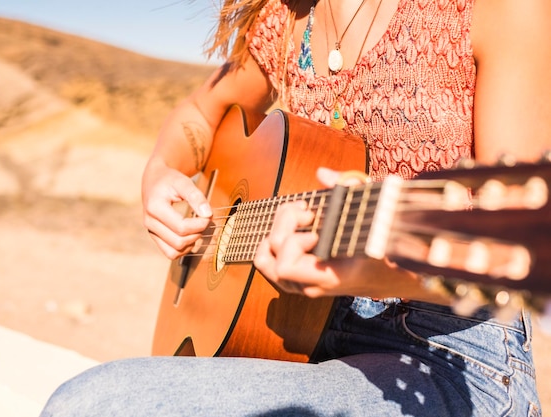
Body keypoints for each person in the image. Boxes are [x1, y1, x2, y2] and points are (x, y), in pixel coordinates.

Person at [40, 0, 551, 415]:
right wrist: (160, 173)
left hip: (444, 354)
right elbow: (201, 109)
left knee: (87, 407)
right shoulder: (283, 19)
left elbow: (512, 240)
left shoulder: (495, 8)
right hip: (295, 331)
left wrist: (366, 274)